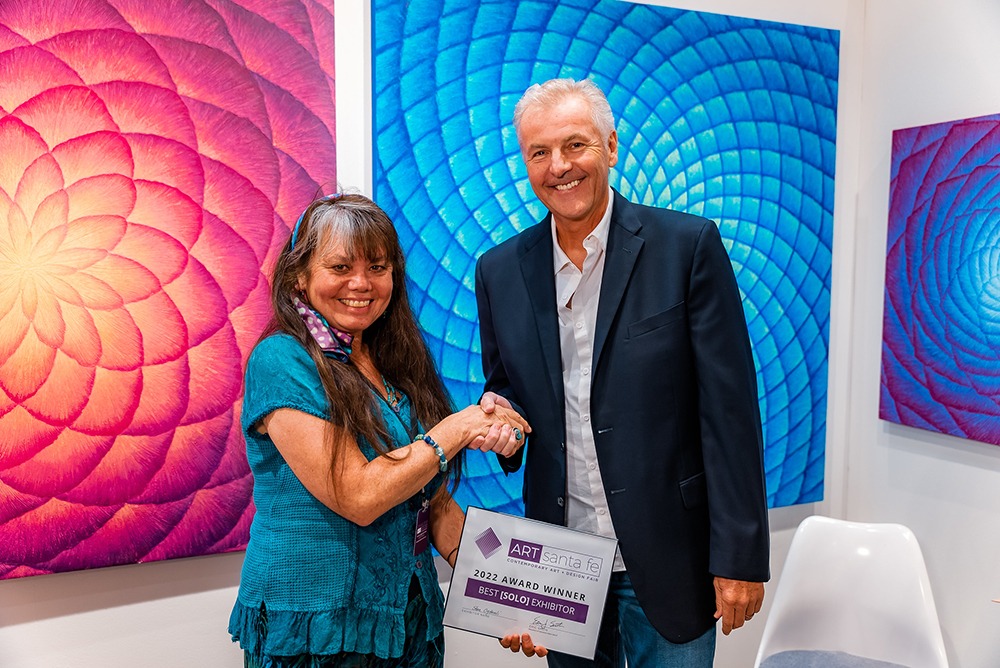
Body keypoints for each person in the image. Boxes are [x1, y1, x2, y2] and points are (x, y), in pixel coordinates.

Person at [475, 78, 770, 667]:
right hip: (560, 564)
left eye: (575, 145)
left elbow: (729, 412)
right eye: (539, 152)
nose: (559, 166)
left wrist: (739, 557)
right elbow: (506, 386)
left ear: (610, 147)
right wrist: (501, 418)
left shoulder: (687, 247)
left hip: (670, 554)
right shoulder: (499, 271)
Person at [229, 192, 533, 667]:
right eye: (340, 267)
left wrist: (512, 600)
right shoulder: (282, 360)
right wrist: (459, 427)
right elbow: (359, 496)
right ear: (299, 276)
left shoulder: (390, 361)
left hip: (409, 621)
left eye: (377, 266)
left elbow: (432, 502)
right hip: (321, 634)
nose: (361, 283)